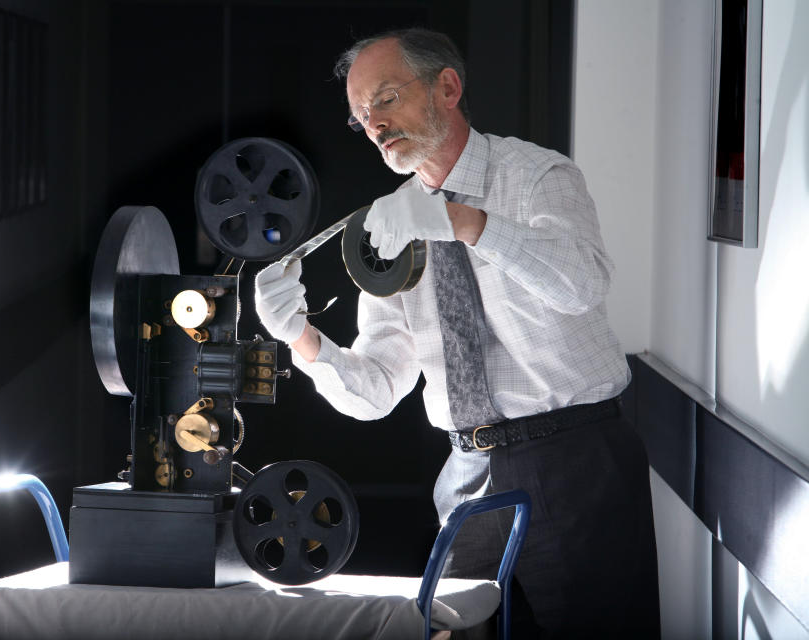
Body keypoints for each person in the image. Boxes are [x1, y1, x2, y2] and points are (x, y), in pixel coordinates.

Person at [254, 28, 660, 638]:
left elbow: (582, 286)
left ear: (447, 87)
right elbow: (379, 388)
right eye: (361, 116)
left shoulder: (537, 177)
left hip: (574, 460)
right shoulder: (389, 225)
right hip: (466, 475)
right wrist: (301, 338)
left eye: (386, 99)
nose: (374, 125)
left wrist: (464, 223)